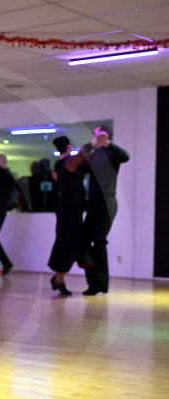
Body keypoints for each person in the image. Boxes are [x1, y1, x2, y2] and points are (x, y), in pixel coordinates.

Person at [82, 124, 130, 296]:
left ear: (103, 134)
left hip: (107, 202)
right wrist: (90, 147)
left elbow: (125, 156)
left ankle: (100, 283)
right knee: (84, 239)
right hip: (94, 203)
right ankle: (95, 281)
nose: (92, 135)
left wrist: (107, 143)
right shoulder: (94, 154)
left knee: (99, 240)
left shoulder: (112, 153)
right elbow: (82, 167)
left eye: (94, 133)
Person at [48, 136, 92, 295]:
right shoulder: (69, 162)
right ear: (68, 147)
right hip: (69, 208)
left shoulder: (58, 164)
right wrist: (93, 142)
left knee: (65, 242)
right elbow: (81, 155)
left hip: (68, 207)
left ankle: (59, 280)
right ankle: (59, 279)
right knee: (67, 243)